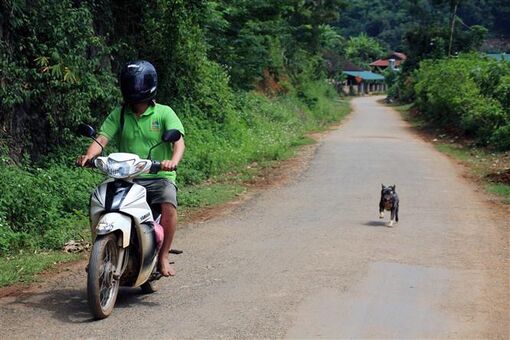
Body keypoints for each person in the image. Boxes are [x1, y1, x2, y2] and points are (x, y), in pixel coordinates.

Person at [77, 60, 185, 277]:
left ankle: (163, 257)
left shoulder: (164, 113)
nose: (135, 88)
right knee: (99, 200)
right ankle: (99, 252)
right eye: (131, 84)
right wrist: (89, 155)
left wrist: (172, 161)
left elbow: (179, 142)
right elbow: (102, 139)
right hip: (127, 176)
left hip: (158, 175)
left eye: (138, 83)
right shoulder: (119, 113)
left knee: (168, 204)